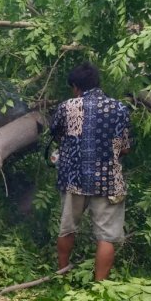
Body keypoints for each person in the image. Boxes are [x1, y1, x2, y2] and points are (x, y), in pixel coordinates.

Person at [50, 62, 132, 281]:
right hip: (108, 180)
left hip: (73, 178)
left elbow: (56, 134)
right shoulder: (119, 108)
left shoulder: (67, 107)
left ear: (75, 86)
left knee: (67, 228)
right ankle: (99, 288)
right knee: (106, 236)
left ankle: (62, 275)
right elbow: (124, 148)